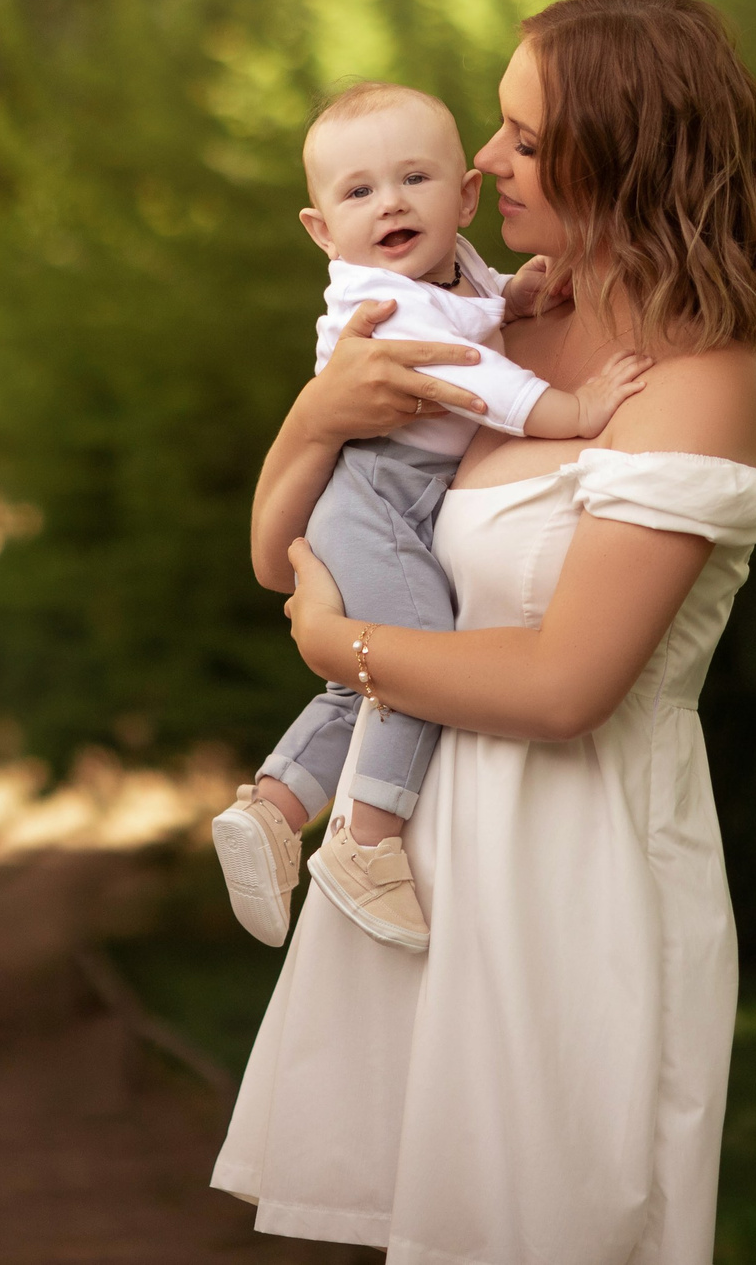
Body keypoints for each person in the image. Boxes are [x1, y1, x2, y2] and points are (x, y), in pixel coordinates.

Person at [213, 0, 756, 1265]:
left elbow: (562, 688)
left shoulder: (707, 381)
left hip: (572, 857)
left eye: (525, 139)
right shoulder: (494, 322)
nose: (485, 161)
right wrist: (316, 418)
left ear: (624, 158)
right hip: (424, 844)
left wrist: (340, 653)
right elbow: (278, 555)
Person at [210, 80, 650, 952]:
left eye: (414, 178)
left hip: (385, 502)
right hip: (376, 501)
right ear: (321, 230)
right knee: (414, 658)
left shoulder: (449, 269)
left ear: (464, 197)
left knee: (359, 685)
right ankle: (367, 840)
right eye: (360, 191)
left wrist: (514, 298)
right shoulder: (387, 301)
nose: (392, 203)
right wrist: (577, 408)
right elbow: (485, 382)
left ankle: (274, 805)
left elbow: (478, 306)